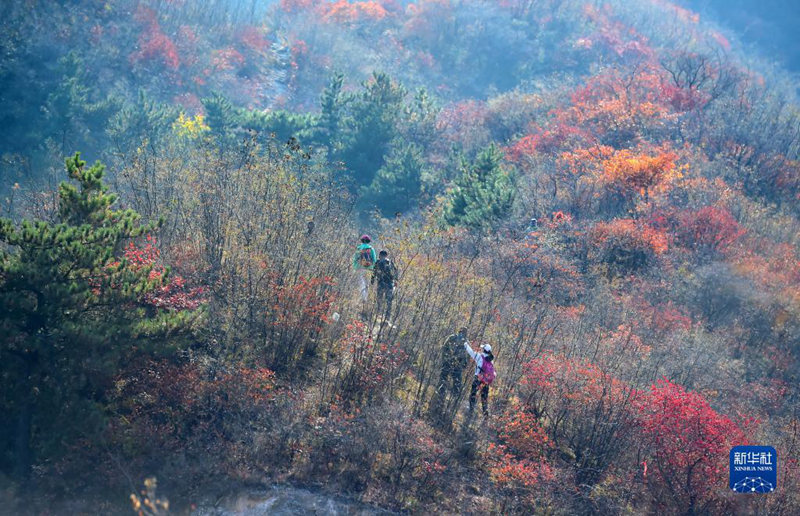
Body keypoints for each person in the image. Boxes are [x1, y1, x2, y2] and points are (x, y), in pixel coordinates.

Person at [464, 341, 495, 417]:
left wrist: (465, 345)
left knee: (473, 393)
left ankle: (471, 410)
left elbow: (470, 352)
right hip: (486, 381)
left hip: (478, 378)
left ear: (483, 350)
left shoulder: (479, 356)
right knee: (484, 397)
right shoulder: (491, 361)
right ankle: (485, 413)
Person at [438, 327, 468, 400]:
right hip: (456, 365)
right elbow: (465, 356)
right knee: (457, 382)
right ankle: (453, 398)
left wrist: (444, 359)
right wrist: (464, 365)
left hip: (448, 361)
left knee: (443, 377)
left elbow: (444, 348)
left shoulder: (452, 337)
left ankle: (441, 392)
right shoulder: (465, 342)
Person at [371, 249, 397, 321]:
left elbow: (374, 272)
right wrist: (396, 281)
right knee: (389, 302)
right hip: (390, 284)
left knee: (379, 299)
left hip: (381, 283)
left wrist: (372, 281)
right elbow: (395, 271)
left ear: (380, 255)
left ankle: (378, 315)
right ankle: (387, 318)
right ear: (386, 255)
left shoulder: (378, 262)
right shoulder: (390, 262)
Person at [352, 234, 377, 302]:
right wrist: (374, 268)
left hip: (360, 268)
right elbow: (374, 259)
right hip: (369, 268)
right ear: (369, 241)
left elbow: (355, 259)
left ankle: (363, 298)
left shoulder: (359, 248)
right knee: (367, 283)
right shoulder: (371, 248)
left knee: (361, 282)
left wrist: (355, 267)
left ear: (362, 240)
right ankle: (366, 297)